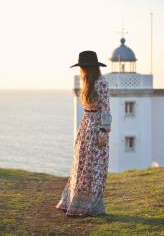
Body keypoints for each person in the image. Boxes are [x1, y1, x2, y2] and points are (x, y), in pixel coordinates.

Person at [55, 50, 112, 217]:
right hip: (86, 126)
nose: (82, 70)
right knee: (81, 164)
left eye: (84, 67)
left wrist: (103, 131)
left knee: (94, 167)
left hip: (97, 129)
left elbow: (106, 108)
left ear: (91, 67)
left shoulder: (101, 83)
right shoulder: (87, 81)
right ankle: (76, 201)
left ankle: (92, 205)